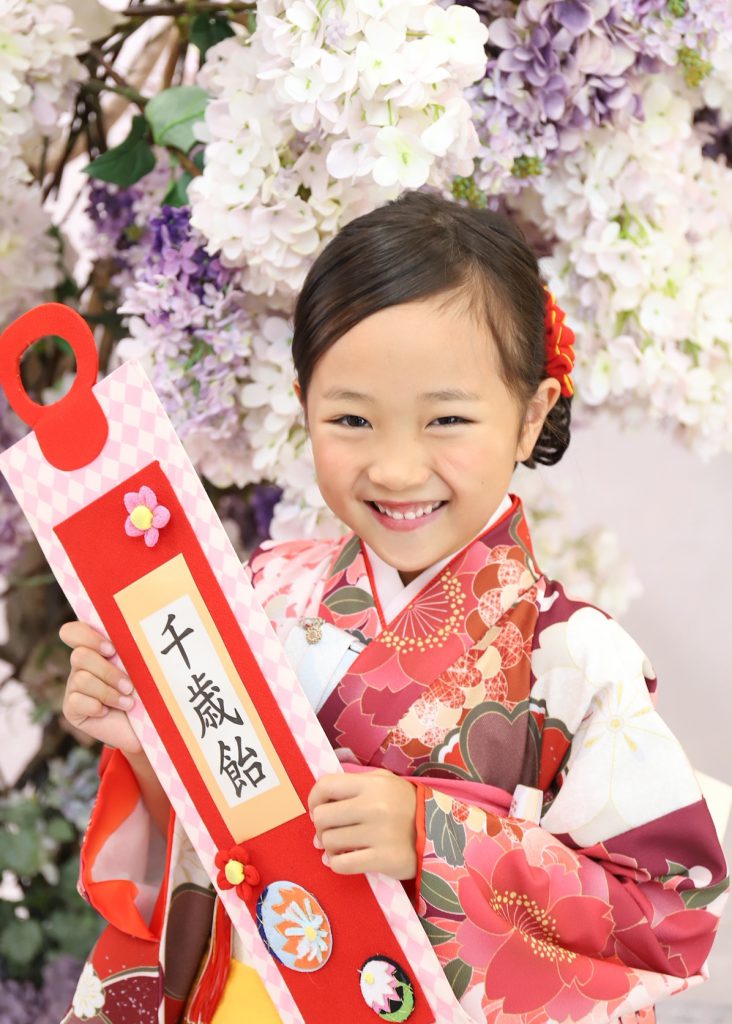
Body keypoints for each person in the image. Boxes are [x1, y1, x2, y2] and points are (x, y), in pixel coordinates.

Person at [59, 191, 727, 1024]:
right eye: (351, 419)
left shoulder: (575, 657)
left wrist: (433, 837)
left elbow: (669, 915)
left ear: (531, 415)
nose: (397, 468)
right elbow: (211, 838)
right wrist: (148, 741)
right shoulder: (265, 592)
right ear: (302, 404)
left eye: (446, 418)